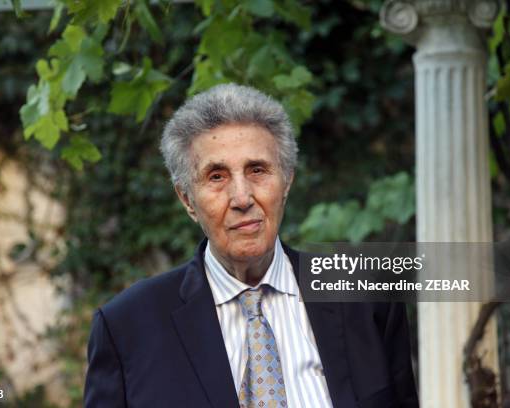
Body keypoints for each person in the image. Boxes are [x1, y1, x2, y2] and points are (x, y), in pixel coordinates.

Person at [84, 83, 419, 408]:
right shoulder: (126, 329)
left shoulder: (367, 299)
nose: (242, 198)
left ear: (287, 180)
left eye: (257, 170)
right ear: (186, 198)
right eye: (217, 176)